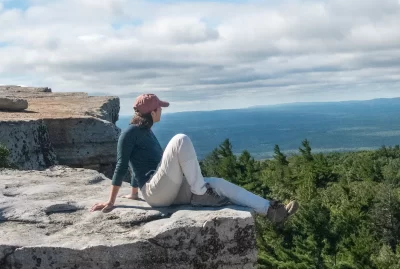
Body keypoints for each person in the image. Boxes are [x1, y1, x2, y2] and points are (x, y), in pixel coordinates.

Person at [90, 93, 298, 222]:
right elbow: (122, 164)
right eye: (159, 107)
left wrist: (135, 193)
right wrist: (111, 202)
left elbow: (138, 163)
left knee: (218, 183)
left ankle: (271, 211)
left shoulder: (145, 131)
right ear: (152, 112)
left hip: (163, 189)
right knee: (180, 139)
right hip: (156, 193)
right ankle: (200, 192)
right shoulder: (130, 133)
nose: (161, 110)